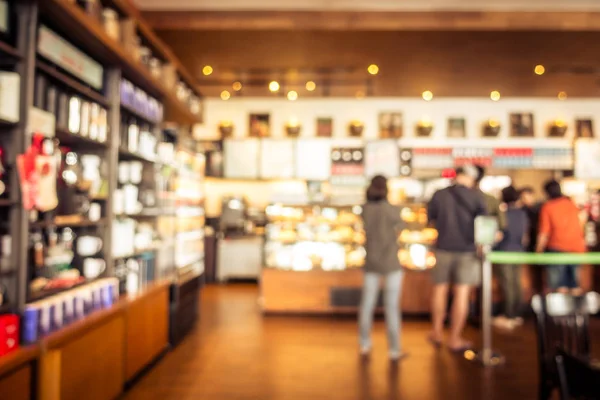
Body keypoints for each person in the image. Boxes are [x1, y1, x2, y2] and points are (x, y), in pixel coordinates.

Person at [427, 165, 487, 352]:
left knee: (440, 289)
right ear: (471, 178)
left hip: (442, 248)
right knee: (462, 293)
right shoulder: (477, 196)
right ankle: (454, 338)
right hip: (468, 251)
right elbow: (484, 226)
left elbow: (430, 220)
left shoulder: (439, 194)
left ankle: (436, 332)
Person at [359, 175, 406, 361]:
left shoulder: (365, 210)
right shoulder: (393, 210)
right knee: (392, 307)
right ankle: (394, 350)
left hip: (370, 262)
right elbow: (401, 228)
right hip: (391, 263)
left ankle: (364, 344)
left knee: (367, 305)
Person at [536, 180, 586, 294]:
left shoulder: (548, 207)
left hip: (557, 248)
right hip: (577, 248)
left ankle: (560, 311)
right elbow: (581, 223)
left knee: (558, 284)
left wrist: (538, 250)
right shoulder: (571, 204)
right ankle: (575, 311)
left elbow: (544, 232)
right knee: (574, 283)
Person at [493, 186, 528, 330]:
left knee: (508, 285)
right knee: (516, 283)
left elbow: (498, 236)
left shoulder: (503, 214)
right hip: (518, 252)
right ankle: (517, 314)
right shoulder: (522, 214)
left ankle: (509, 315)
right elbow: (525, 236)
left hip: (504, 253)